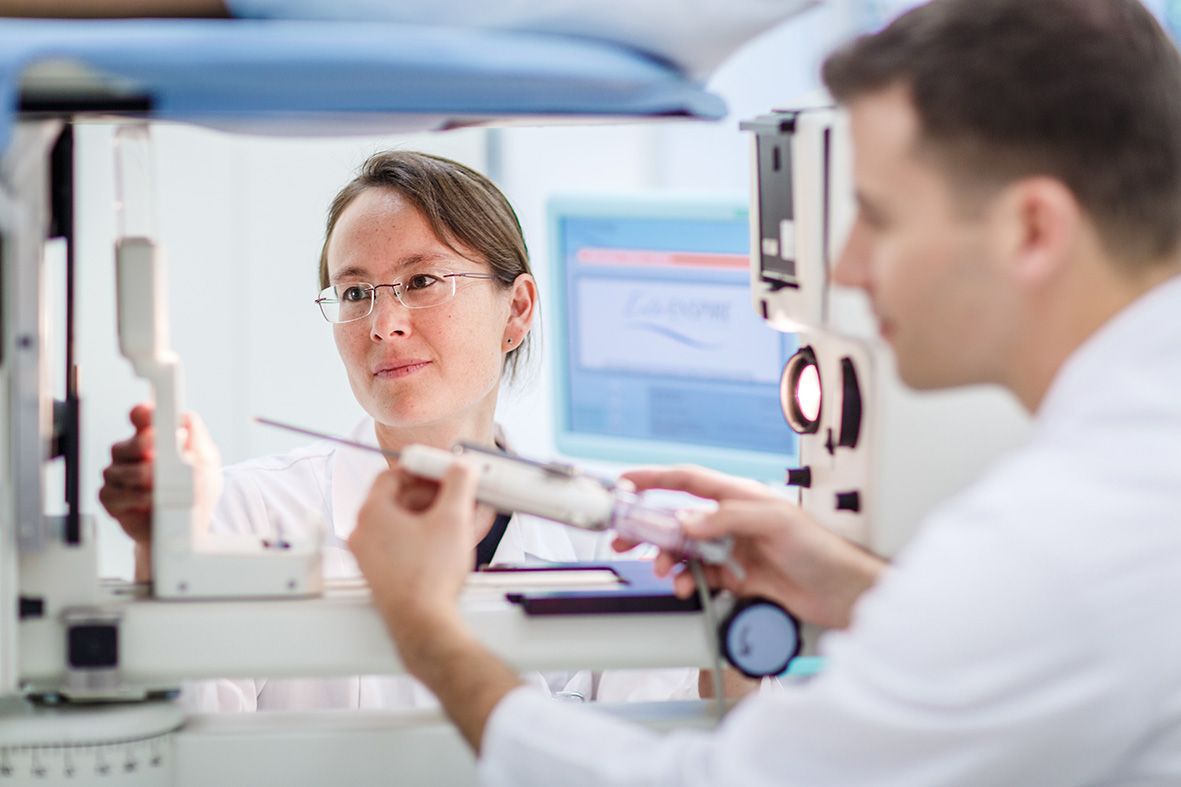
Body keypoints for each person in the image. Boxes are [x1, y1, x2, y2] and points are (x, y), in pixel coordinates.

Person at [346, 0, 1181, 783]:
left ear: (1031, 230)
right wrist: (857, 590)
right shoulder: (1128, 476)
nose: (846, 266)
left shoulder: (1069, 530)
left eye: (878, 216)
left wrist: (426, 633)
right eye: (354, 292)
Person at [99, 150, 698, 710]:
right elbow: (181, 750)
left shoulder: (607, 542)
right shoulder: (245, 515)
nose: (383, 324)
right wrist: (165, 550)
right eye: (355, 292)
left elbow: (650, 757)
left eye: (422, 282)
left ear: (516, 309)